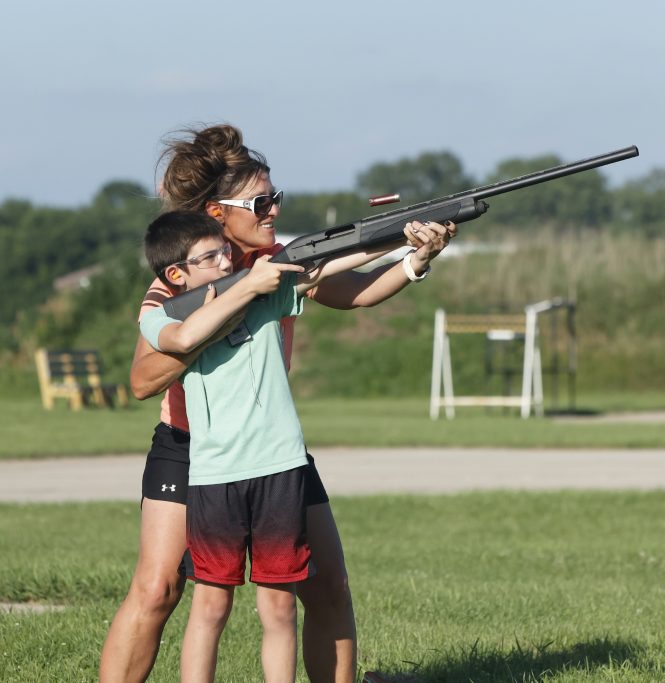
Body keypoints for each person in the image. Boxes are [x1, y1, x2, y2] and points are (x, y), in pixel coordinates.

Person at [99, 124, 455, 683]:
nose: (273, 209)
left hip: (271, 447)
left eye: (275, 198)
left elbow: (351, 289)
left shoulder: (281, 262)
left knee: (328, 584)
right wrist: (230, 306)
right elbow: (144, 380)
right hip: (190, 447)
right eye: (261, 202)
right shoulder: (178, 284)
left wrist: (416, 257)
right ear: (218, 214)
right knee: (158, 589)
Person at [139, 209, 411, 681]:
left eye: (225, 253)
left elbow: (334, 263)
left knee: (280, 609)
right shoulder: (164, 314)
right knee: (210, 608)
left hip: (281, 472)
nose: (225, 263)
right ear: (175, 275)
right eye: (209, 258)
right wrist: (247, 285)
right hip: (214, 478)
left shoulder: (265, 296)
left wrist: (409, 246)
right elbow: (182, 337)